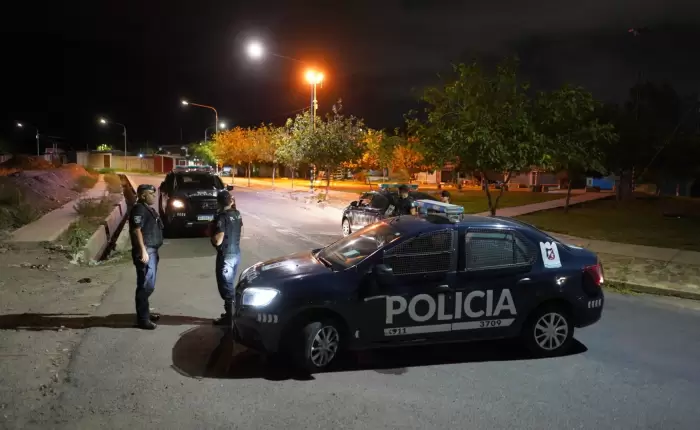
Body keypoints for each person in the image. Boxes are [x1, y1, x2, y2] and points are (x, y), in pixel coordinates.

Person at [129, 184, 164, 330]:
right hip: (146, 251)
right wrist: (143, 250)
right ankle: (143, 319)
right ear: (143, 195)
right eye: (151, 193)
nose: (154, 196)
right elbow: (137, 230)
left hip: (152, 250)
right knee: (145, 285)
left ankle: (145, 312)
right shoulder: (139, 209)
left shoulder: (147, 208)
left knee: (149, 284)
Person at [210, 190, 243, 326]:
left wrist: (211, 237)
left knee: (226, 288)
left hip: (226, 256)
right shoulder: (237, 214)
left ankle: (231, 319)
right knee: (229, 284)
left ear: (218, 202)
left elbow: (218, 240)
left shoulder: (222, 217)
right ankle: (230, 315)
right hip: (236, 253)